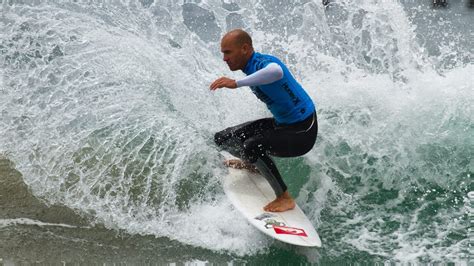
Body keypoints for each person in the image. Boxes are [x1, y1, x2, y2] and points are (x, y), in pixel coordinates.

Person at [210, 29, 318, 212]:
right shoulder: (250, 67)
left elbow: (276, 72)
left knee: (253, 145)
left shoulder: (264, 63)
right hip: (281, 125)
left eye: (228, 52)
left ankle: (284, 198)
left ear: (244, 49)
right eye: (223, 53)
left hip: (302, 131)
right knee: (222, 138)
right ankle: (253, 164)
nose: (224, 58)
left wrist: (236, 83)